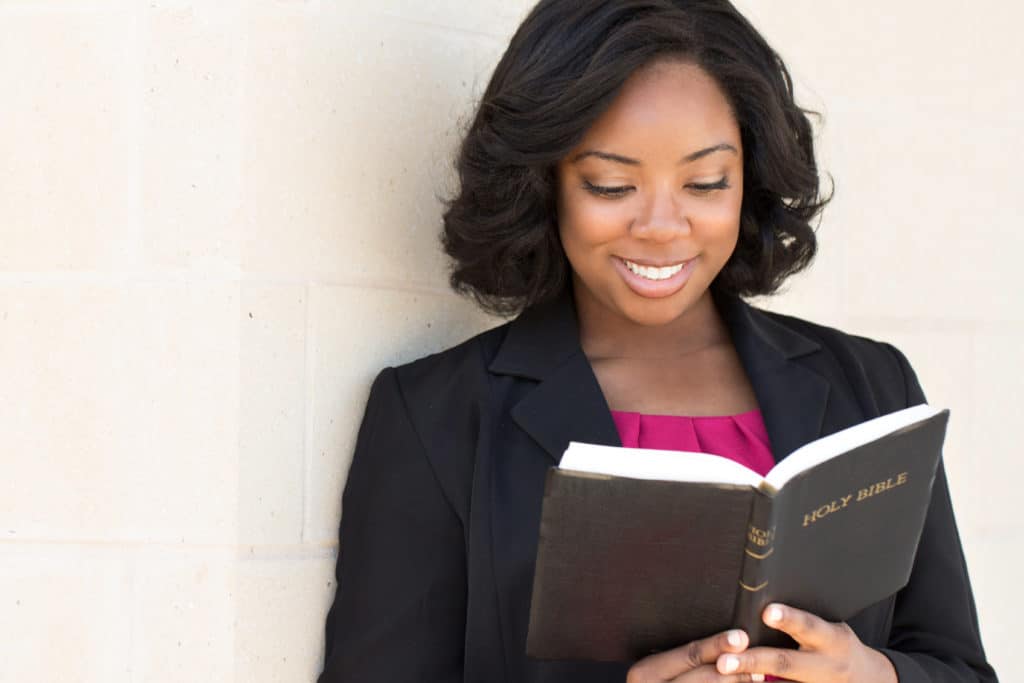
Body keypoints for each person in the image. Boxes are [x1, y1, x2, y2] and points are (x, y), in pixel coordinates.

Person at [317, 1, 998, 681]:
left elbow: (960, 667)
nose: (663, 226)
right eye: (611, 184)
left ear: (749, 178)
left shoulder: (872, 387)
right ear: (544, 180)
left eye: (705, 182)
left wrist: (878, 676)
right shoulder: (436, 418)